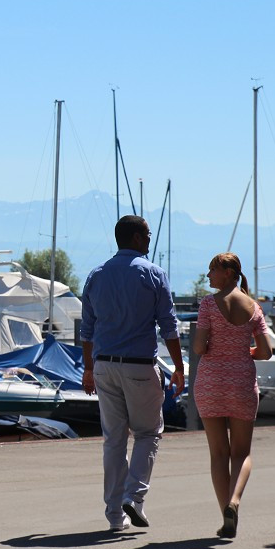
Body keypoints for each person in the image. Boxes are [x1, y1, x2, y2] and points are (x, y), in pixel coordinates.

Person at [79, 215, 186, 532]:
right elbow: (169, 325)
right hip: (139, 366)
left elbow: (87, 329)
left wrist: (87, 368)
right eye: (148, 235)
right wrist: (179, 366)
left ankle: (115, 515)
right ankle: (134, 497)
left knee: (113, 440)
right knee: (148, 433)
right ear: (138, 238)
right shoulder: (153, 273)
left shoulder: (96, 275)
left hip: (103, 366)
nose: (150, 240)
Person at [191, 252, 272, 539]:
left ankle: (225, 511)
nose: (208, 274)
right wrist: (243, 352)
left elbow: (199, 348)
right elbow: (265, 352)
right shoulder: (253, 307)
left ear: (227, 273)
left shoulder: (208, 305)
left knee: (218, 454)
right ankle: (234, 502)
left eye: (212, 269)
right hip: (241, 384)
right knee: (242, 452)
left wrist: (215, 345)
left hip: (211, 384)